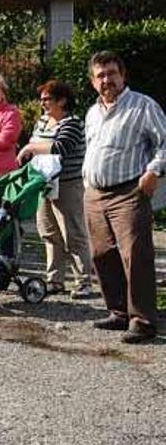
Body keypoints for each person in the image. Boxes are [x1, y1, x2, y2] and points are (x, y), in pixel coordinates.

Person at [83, 50, 165, 344]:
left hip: (128, 191)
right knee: (102, 254)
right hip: (94, 193)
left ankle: (142, 321)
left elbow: (164, 142)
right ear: (93, 82)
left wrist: (154, 170)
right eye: (100, 75)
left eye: (111, 74)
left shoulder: (143, 106)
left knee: (136, 256)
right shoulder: (92, 112)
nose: (107, 80)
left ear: (123, 75)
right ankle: (118, 312)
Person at [16, 80, 92, 299]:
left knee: (73, 234)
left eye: (47, 99)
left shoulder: (72, 122)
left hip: (67, 184)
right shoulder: (42, 121)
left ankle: (83, 282)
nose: (43, 104)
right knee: (49, 232)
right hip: (43, 184)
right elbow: (37, 143)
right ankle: (55, 280)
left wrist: (30, 147)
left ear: (62, 100)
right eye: (41, 100)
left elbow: (61, 147)